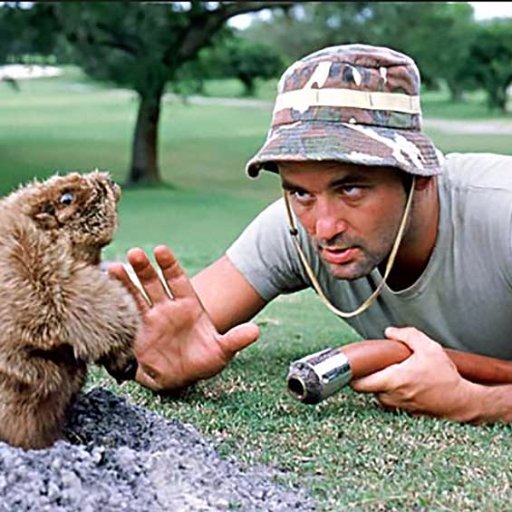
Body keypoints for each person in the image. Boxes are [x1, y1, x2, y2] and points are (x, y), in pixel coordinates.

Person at [109, 44, 512, 424]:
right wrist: (157, 362)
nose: (323, 228)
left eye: (350, 189)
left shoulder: (501, 211)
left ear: (418, 175)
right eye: (300, 191)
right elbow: (183, 327)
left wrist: (473, 402)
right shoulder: (293, 227)